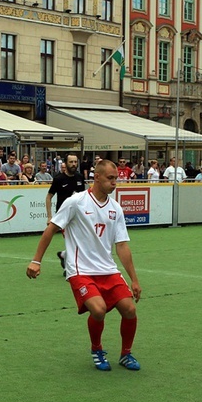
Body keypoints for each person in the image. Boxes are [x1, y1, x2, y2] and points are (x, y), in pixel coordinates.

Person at [26, 159, 142, 372]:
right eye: (110, 178)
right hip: (81, 271)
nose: (114, 183)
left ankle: (126, 354)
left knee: (130, 309)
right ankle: (97, 349)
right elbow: (51, 229)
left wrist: (134, 279)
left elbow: (122, 246)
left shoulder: (115, 208)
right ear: (97, 177)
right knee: (99, 310)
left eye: (116, 179)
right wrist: (36, 261)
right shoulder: (76, 202)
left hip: (108, 270)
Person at [46, 153, 86, 275]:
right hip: (64, 217)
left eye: (75, 162)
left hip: (78, 215)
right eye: (71, 162)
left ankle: (64, 255)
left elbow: (84, 197)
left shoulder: (80, 177)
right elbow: (49, 197)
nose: (73, 164)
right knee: (72, 240)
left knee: (80, 240)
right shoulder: (59, 179)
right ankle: (68, 268)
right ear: (65, 163)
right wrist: (49, 216)